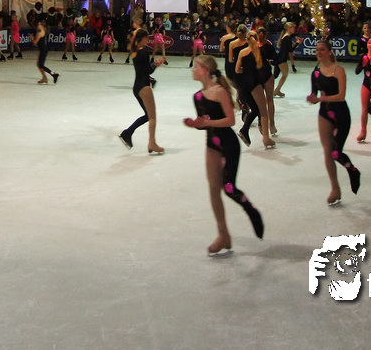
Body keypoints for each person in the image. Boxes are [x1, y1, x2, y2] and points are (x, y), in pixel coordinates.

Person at [183, 54, 264, 256]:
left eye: (196, 67)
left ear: (205, 70)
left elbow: (230, 121)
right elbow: (204, 123)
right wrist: (196, 124)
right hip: (211, 145)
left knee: (228, 188)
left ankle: (251, 210)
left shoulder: (219, 91)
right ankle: (223, 234)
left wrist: (207, 122)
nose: (193, 70)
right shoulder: (198, 97)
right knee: (213, 190)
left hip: (228, 145)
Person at [307, 39, 360, 206]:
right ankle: (335, 189)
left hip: (340, 114)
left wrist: (319, 99)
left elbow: (341, 96)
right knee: (327, 152)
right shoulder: (315, 73)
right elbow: (314, 94)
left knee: (335, 153)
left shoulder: (339, 70)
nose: (319, 52)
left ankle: (352, 170)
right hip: (324, 114)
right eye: (317, 50)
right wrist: (312, 98)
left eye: (322, 49)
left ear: (330, 52)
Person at [118, 28, 164, 154]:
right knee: (152, 116)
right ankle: (152, 143)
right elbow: (148, 71)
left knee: (148, 115)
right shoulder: (144, 52)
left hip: (136, 87)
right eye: (147, 37)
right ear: (143, 38)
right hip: (144, 87)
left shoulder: (134, 50)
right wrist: (156, 64)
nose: (148, 40)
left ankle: (128, 133)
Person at [234, 31, 275, 148]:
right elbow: (261, 67)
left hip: (243, 84)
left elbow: (237, 70)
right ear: (256, 39)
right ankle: (266, 138)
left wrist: (246, 70)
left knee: (255, 109)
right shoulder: (258, 51)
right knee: (263, 111)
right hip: (254, 83)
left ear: (246, 40)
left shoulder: (242, 52)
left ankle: (245, 130)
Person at [273, 21, 299, 97]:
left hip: (281, 57)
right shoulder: (287, 37)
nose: (294, 29)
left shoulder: (287, 36)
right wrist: (297, 43)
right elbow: (290, 50)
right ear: (289, 28)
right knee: (283, 75)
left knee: (280, 75)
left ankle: (276, 90)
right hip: (282, 58)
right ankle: (276, 91)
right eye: (292, 27)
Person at [33, 20, 59, 85]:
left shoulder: (40, 33)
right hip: (43, 50)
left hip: (43, 50)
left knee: (41, 65)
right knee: (39, 64)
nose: (38, 26)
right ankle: (44, 78)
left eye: (39, 25)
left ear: (42, 26)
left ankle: (53, 74)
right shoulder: (43, 32)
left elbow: (35, 42)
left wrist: (32, 37)